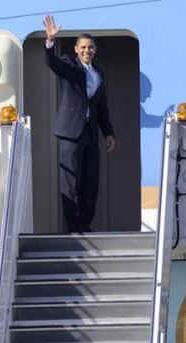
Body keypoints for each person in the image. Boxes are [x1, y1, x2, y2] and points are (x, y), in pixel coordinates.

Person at [43, 15, 115, 233]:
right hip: (70, 132)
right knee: (70, 181)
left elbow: (101, 106)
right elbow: (52, 63)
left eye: (90, 47)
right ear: (76, 49)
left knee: (91, 182)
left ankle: (85, 224)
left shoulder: (98, 72)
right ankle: (73, 227)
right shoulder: (69, 65)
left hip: (91, 134)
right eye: (83, 47)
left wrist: (108, 133)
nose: (86, 51)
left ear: (95, 50)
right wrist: (50, 42)